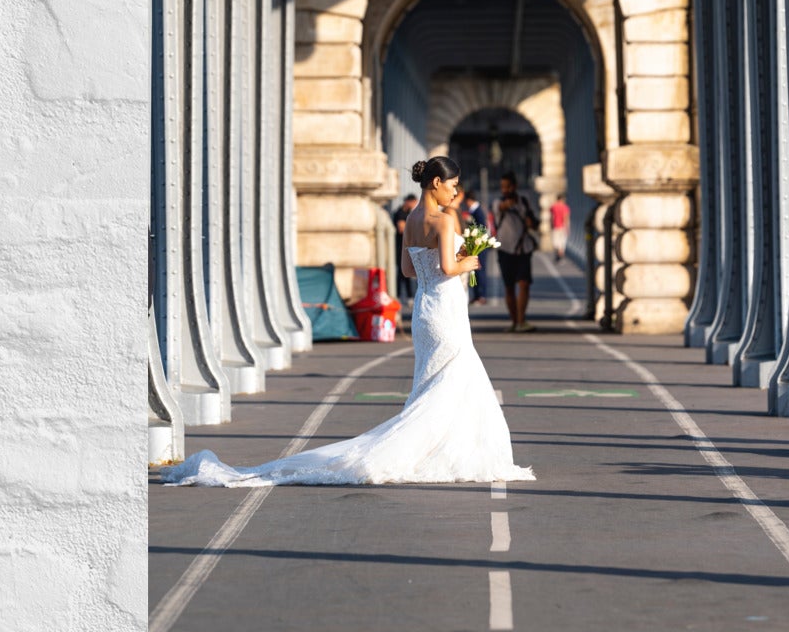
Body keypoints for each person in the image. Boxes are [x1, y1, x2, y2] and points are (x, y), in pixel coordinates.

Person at [156, 155, 532, 487]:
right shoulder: (445, 220)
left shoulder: (414, 217)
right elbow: (450, 267)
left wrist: (448, 261)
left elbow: (407, 268)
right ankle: (447, 451)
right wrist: (468, 260)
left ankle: (434, 447)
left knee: (435, 384)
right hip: (447, 312)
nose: (456, 192)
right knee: (454, 380)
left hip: (425, 310)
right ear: (437, 183)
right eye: (452, 185)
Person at [492, 171, 539, 332]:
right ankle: (514, 321)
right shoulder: (498, 202)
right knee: (509, 286)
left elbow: (534, 223)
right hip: (505, 249)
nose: (505, 189)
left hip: (523, 249)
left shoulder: (524, 202)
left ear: (515, 186)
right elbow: (500, 207)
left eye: (508, 186)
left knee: (524, 284)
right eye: (503, 187)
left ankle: (521, 320)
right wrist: (508, 205)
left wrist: (530, 222)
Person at [548, 193, 569, 260]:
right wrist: (567, 227)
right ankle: (561, 254)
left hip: (555, 226)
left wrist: (551, 225)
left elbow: (551, 217)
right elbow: (566, 218)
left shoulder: (553, 207)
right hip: (562, 226)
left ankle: (558, 253)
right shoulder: (565, 207)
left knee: (556, 241)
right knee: (562, 241)